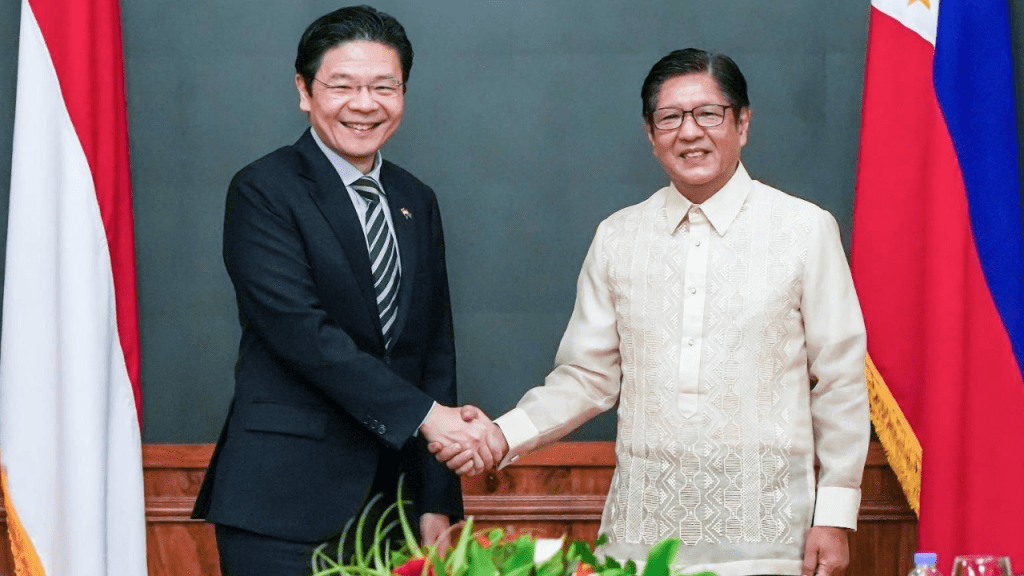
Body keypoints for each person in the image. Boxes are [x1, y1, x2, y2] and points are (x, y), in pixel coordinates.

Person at [433, 48, 870, 576]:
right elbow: (587, 378)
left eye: (708, 114)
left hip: (771, 540)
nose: (690, 132)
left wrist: (836, 516)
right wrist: (501, 436)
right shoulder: (619, 236)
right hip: (640, 540)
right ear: (650, 133)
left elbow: (840, 379)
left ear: (742, 123)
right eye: (670, 118)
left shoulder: (803, 230)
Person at [192, 6, 496, 575]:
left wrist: (436, 500)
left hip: (394, 512)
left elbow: (434, 350)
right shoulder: (264, 189)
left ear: (403, 94)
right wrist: (429, 417)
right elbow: (301, 331)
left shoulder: (415, 199)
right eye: (343, 86)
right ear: (304, 90)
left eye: (384, 86)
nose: (364, 103)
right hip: (284, 504)